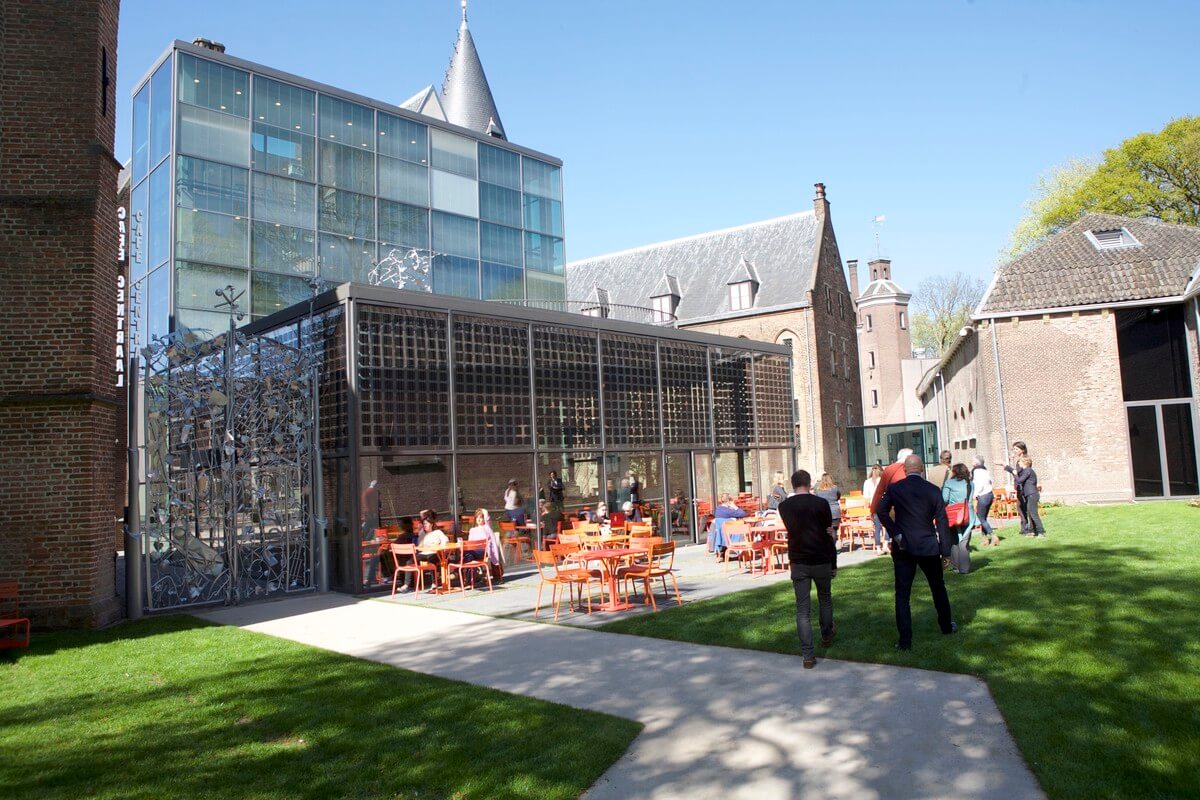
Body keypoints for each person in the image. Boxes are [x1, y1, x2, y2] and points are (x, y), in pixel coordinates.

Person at [876, 455, 957, 650]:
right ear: (921, 469)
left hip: (904, 546)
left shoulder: (895, 488)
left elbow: (881, 510)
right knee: (938, 588)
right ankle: (946, 626)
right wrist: (945, 552)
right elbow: (942, 522)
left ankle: (905, 641)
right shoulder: (933, 490)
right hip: (928, 545)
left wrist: (896, 534)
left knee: (902, 594)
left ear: (904, 470)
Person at [778, 470, 837, 669]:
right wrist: (833, 562)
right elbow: (829, 532)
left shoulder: (784, 506)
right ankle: (827, 634)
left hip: (799, 560)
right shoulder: (821, 504)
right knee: (825, 598)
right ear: (810, 483)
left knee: (803, 609)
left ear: (793, 484)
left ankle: (808, 655)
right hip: (821, 557)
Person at [942, 463, 975, 574]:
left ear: (954, 472)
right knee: (964, 541)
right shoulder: (970, 483)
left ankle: (956, 567)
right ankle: (964, 568)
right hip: (969, 514)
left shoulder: (949, 483)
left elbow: (944, 499)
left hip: (954, 514)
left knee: (954, 540)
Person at [1006, 456, 1045, 537]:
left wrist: (1015, 474)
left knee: (1034, 514)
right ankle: (1033, 531)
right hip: (1029, 494)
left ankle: (1041, 532)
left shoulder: (1028, 470)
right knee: (1030, 513)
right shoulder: (1026, 471)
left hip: (1032, 494)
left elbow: (1019, 481)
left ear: (1025, 462)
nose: (1019, 464)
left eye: (1020, 462)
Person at [871, 448, 914, 515]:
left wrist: (873, 510)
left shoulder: (889, 469)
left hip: (894, 508)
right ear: (908, 458)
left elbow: (879, 492)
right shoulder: (912, 469)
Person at [1000, 441, 1031, 532]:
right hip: (1019, 487)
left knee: (1022, 508)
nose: (1015, 451)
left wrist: (1005, 466)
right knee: (1020, 508)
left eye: (1016, 449)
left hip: (1023, 487)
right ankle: (1024, 527)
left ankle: (1026, 528)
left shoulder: (1024, 460)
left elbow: (1017, 473)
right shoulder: (1019, 460)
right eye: (1014, 449)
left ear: (1022, 450)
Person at [467, 508, 503, 581]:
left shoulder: (487, 528)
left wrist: (481, 510)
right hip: (474, 551)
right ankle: (470, 580)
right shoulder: (473, 530)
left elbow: (487, 516)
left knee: (467, 554)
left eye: (481, 518)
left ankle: (458, 574)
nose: (479, 519)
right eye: (477, 517)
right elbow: (470, 543)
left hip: (484, 552)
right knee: (468, 555)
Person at [386, 517, 420, 594]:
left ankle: (389, 576)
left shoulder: (403, 536)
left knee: (385, 555)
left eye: (401, 524)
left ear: (406, 525)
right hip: (408, 557)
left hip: (406, 559)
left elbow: (393, 545)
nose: (400, 526)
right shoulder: (413, 536)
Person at [710, 493, 748, 558]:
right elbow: (743, 514)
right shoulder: (729, 511)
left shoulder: (718, 509)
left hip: (721, 535)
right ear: (729, 501)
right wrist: (735, 507)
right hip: (729, 535)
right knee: (742, 529)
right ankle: (739, 551)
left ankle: (724, 550)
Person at [971, 455, 998, 547]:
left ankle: (993, 536)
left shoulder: (977, 471)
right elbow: (990, 482)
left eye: (973, 460)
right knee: (984, 518)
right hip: (990, 494)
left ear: (976, 463)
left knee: (980, 518)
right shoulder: (986, 471)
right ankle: (985, 539)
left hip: (982, 496)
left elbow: (979, 484)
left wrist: (975, 494)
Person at [360, 479, 382, 585]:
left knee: (371, 527)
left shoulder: (369, 492)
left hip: (370, 513)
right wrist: (372, 511)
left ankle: (367, 538)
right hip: (371, 513)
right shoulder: (370, 492)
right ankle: (367, 538)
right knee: (371, 527)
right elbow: (369, 503)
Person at [862, 464, 887, 552]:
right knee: (888, 525)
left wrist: (868, 511)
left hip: (874, 506)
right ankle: (886, 544)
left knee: (877, 527)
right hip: (884, 505)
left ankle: (878, 548)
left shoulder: (867, 482)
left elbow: (866, 498)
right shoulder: (883, 480)